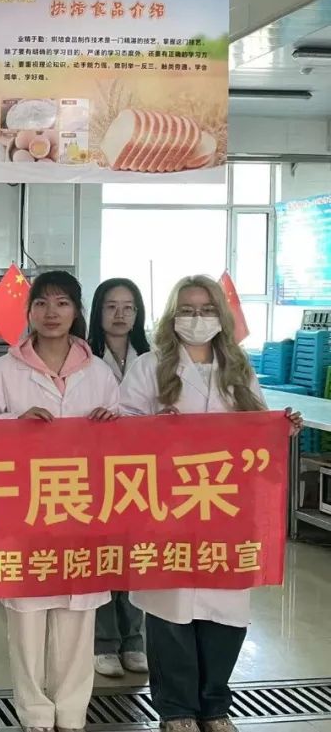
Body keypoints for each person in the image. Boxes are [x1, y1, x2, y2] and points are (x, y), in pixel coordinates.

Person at [120, 275, 302, 732]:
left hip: (227, 509)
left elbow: (258, 427)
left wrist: (282, 427)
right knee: (170, 611)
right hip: (167, 506)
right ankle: (176, 709)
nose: (196, 319)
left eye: (205, 310)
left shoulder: (237, 367)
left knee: (226, 611)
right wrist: (155, 426)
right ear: (172, 315)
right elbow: (123, 428)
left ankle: (215, 706)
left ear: (221, 316)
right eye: (187, 310)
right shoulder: (149, 366)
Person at [0, 270, 115, 732]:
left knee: (78, 614)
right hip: (24, 508)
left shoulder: (99, 373)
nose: (51, 312)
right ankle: (35, 712)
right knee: (27, 615)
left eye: (61, 303)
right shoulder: (3, 371)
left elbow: (125, 441)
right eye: (41, 303)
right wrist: (14, 424)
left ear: (77, 312)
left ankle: (72, 710)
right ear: (29, 312)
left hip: (82, 507)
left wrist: (110, 423)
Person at [87, 279, 151, 678]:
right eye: (111, 306)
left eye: (128, 307)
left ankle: (135, 640)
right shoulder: (83, 357)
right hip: (94, 472)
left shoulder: (153, 358)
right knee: (101, 557)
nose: (120, 314)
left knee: (134, 558)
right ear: (98, 311)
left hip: (142, 473)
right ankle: (104, 642)